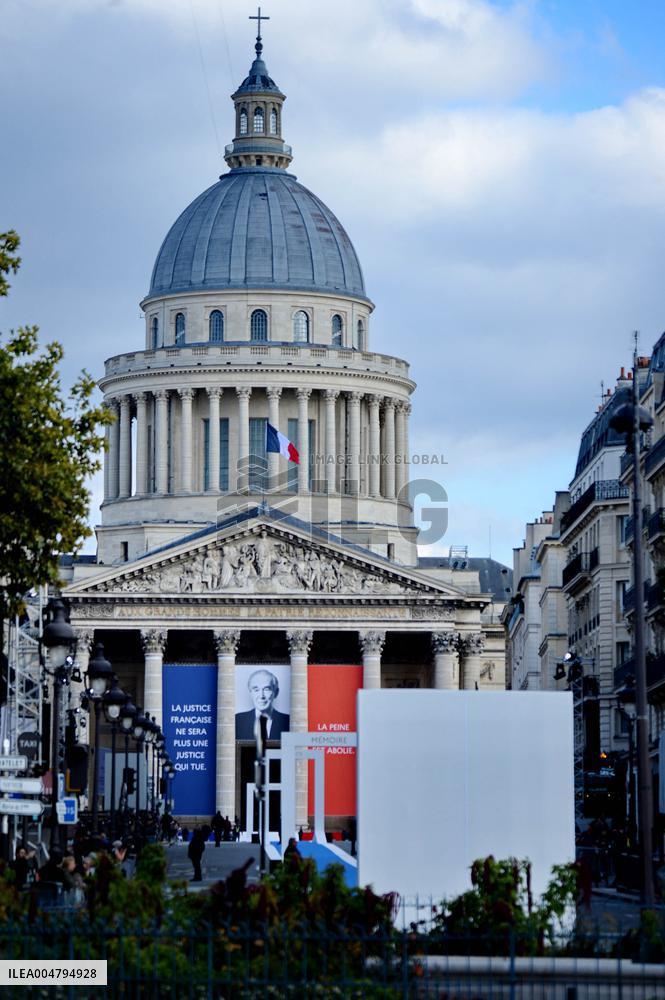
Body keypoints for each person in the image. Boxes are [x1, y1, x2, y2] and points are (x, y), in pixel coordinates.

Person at [235, 669, 290, 739]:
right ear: (250, 693)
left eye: (266, 689)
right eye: (256, 690)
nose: (261, 696)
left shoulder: (288, 722)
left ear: (276, 692)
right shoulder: (237, 721)